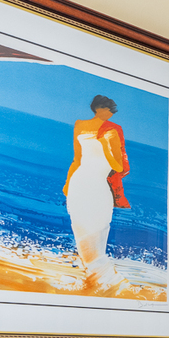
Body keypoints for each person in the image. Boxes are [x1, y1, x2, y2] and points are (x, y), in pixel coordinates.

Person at [62, 95, 129, 276]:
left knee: (98, 229)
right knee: (80, 229)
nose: (110, 115)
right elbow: (77, 160)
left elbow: (119, 167)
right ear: (99, 108)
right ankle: (90, 279)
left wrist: (106, 147)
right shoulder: (80, 125)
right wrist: (68, 184)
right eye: (109, 111)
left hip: (99, 187)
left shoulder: (113, 131)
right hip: (80, 183)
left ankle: (99, 278)